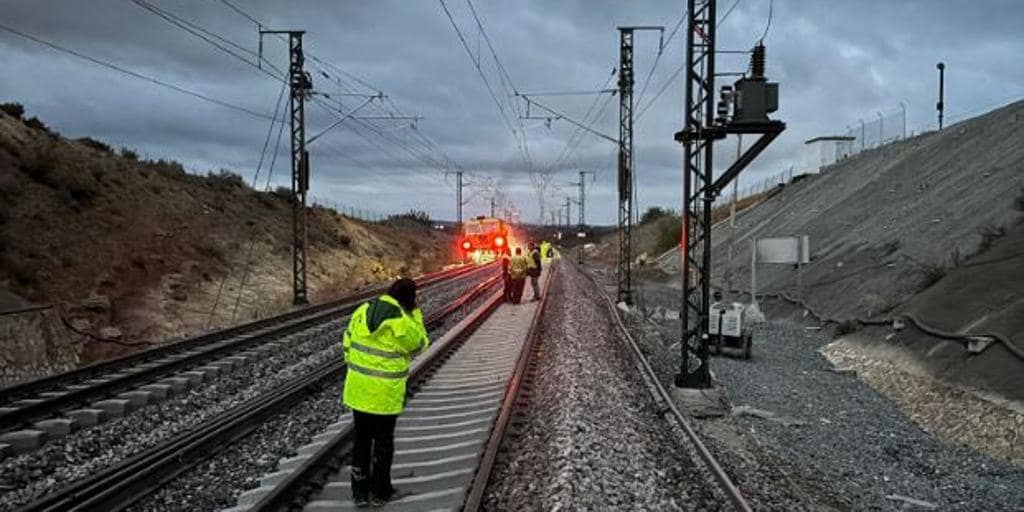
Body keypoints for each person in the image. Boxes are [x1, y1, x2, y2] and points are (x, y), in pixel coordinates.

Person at [342, 278, 429, 507]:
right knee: (383, 442)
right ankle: (381, 492)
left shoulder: (363, 310)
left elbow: (347, 342)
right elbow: (420, 343)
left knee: (361, 441)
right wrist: (416, 314)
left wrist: (358, 368)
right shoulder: (401, 320)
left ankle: (359, 493)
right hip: (384, 394)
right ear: (409, 298)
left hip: (358, 391)